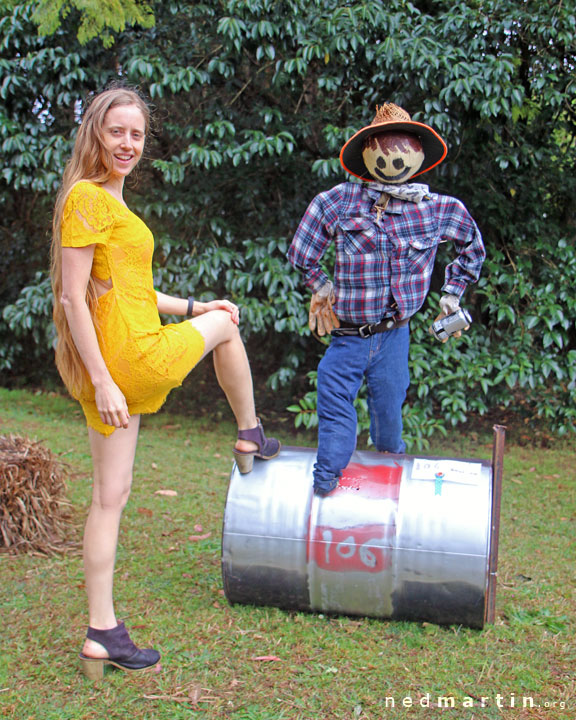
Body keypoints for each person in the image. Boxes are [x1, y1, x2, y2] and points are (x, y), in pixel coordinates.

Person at [50, 87, 280, 680]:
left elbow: (132, 294)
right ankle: (251, 432)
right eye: (116, 132)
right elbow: (70, 297)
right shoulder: (86, 199)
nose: (127, 144)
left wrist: (195, 303)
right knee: (227, 328)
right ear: (94, 133)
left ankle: (102, 631)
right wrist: (103, 380)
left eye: (137, 135)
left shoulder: (108, 205)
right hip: (126, 361)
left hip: (118, 358)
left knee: (110, 497)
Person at [288, 102, 486, 496]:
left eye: (401, 148)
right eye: (382, 148)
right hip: (348, 334)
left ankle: (391, 478)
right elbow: (302, 251)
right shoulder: (340, 201)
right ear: (366, 153)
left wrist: (452, 293)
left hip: (396, 335)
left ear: (417, 153)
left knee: (389, 409)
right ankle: (327, 477)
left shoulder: (437, 209)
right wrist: (321, 285)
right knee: (333, 396)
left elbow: (473, 247)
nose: (392, 158)